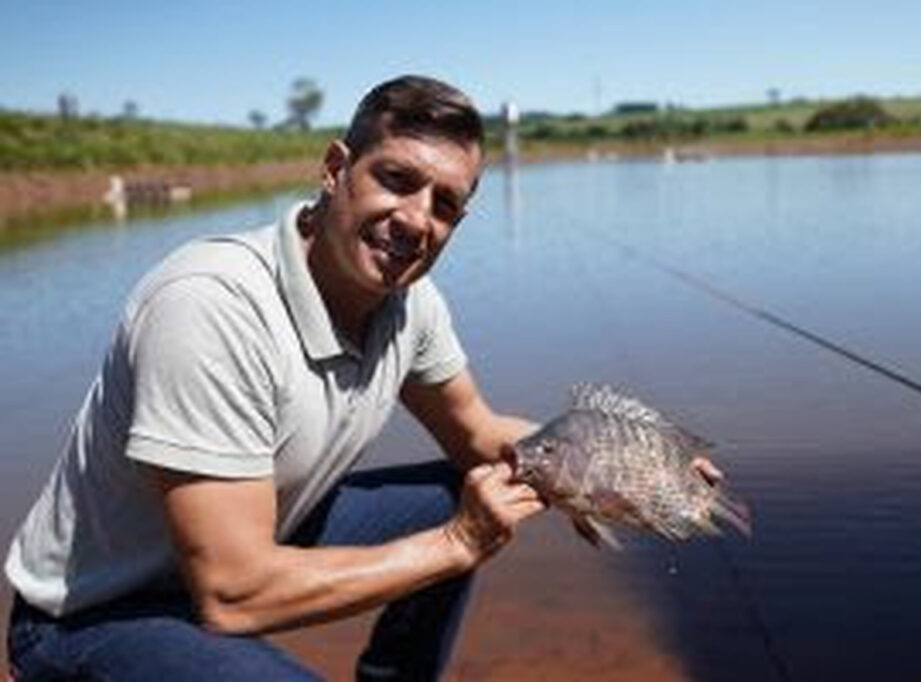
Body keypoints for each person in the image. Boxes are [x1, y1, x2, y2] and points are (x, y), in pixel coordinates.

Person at [4, 75, 547, 681]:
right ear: (335, 169)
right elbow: (231, 592)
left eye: (445, 205)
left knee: (465, 482)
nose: (418, 220)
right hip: (93, 613)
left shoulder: (411, 305)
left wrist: (635, 460)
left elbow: (479, 434)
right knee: (457, 519)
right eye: (396, 180)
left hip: (249, 543)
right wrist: (455, 544)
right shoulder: (212, 305)